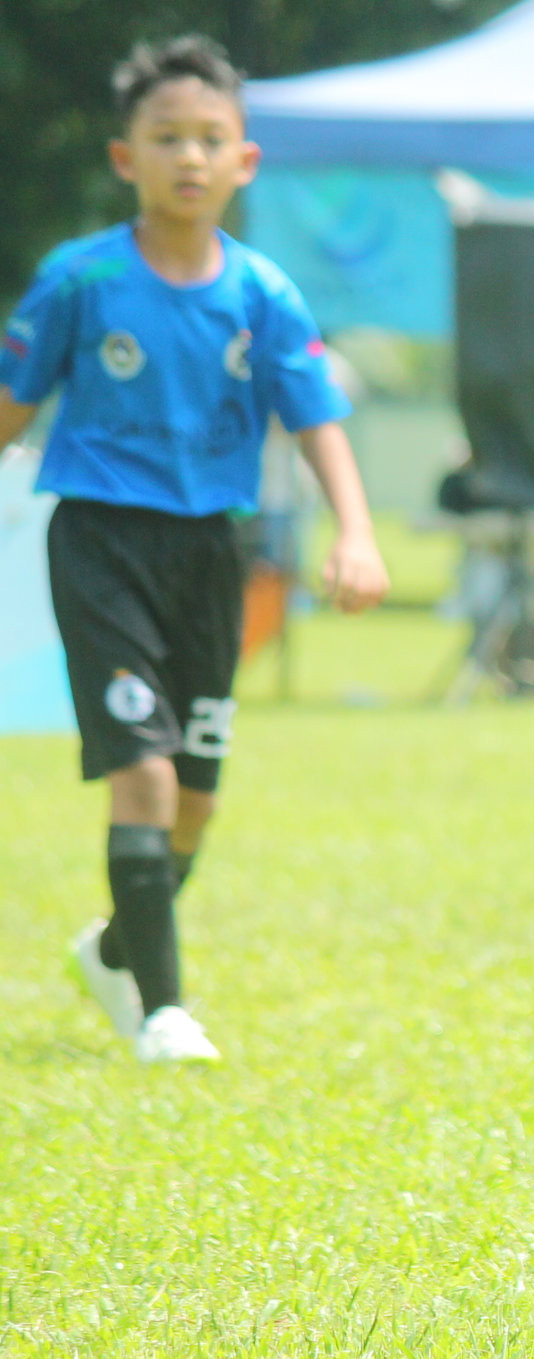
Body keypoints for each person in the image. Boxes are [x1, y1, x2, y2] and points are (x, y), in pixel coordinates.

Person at [0, 36, 389, 1064]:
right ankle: (166, 1009)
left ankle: (119, 947)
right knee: (149, 774)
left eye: (210, 138)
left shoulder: (263, 293)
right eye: (166, 137)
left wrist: (355, 530)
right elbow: (12, 403)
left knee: (199, 795)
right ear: (125, 157)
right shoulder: (78, 279)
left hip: (213, 554)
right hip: (100, 541)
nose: (189, 156)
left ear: (243, 161)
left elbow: (316, 421)